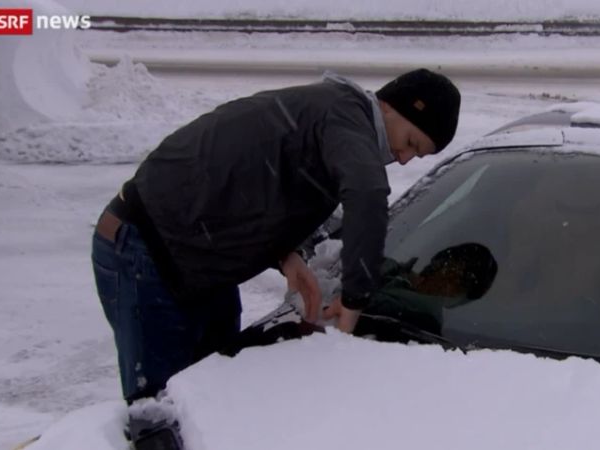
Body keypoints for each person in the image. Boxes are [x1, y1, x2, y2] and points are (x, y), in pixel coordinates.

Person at [90, 68, 461, 404]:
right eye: (411, 143)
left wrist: (286, 255)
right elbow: (366, 195)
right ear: (391, 107)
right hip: (146, 251)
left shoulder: (333, 120)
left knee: (212, 390)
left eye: (418, 156)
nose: (404, 159)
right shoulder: (344, 116)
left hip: (202, 263)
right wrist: (354, 299)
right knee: (160, 411)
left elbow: (258, 184)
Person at [230, 242, 499, 350]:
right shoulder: (394, 269)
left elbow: (362, 306)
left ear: (459, 298)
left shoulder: (421, 319)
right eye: (447, 267)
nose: (444, 279)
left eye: (456, 282)